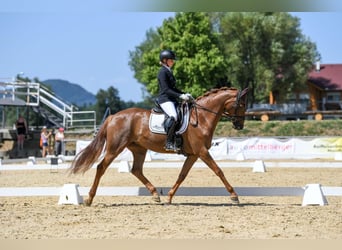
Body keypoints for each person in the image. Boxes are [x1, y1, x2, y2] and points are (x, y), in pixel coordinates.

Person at [157, 49, 192, 151]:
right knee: (174, 116)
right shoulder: (162, 72)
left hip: (171, 99)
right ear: (164, 60)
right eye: (171, 60)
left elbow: (173, 88)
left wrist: (183, 94)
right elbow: (166, 90)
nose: (173, 62)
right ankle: (168, 142)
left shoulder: (168, 71)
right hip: (165, 99)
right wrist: (180, 96)